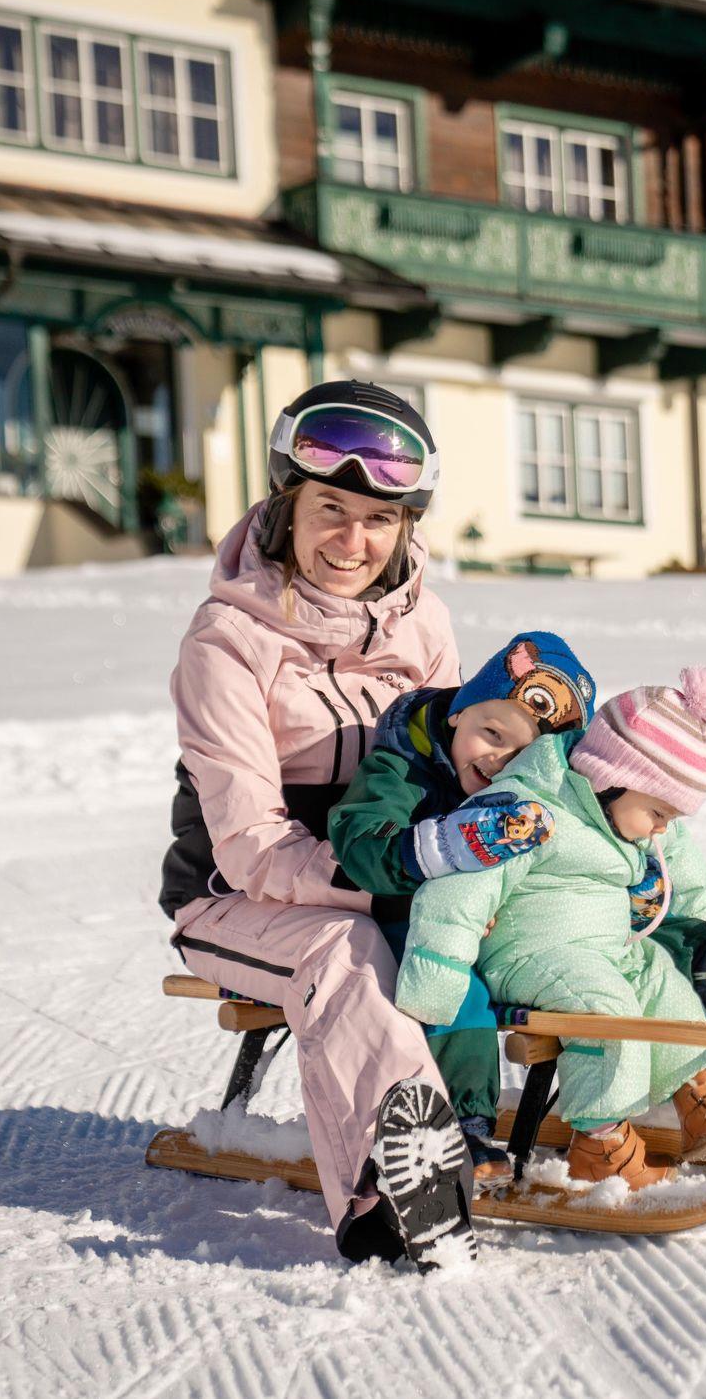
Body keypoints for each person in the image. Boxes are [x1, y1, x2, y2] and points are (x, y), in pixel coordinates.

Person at [159, 380, 476, 1270]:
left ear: (404, 527)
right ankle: (392, 1190)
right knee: (346, 955)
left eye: (378, 519)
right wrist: (384, 886)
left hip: (386, 878)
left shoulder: (425, 627)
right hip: (235, 900)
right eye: (331, 509)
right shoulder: (227, 641)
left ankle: (680, 1091)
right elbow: (250, 842)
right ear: (287, 507)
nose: (352, 540)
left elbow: (455, 767)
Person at [389, 666, 706, 1189]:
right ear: (611, 777)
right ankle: (601, 1146)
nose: (662, 827)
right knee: (608, 1011)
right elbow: (458, 891)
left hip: (605, 950)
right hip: (528, 956)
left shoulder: (628, 821)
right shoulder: (527, 808)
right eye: (658, 812)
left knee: (661, 979)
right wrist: (437, 973)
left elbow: (692, 885)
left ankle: (701, 1100)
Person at [327, 630, 598, 1181]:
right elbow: (362, 846)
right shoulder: (402, 768)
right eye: (492, 733)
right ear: (458, 712)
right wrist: (442, 856)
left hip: (504, 933)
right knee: (455, 987)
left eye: (523, 755)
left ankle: (634, 1104)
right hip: (408, 918)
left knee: (595, 967)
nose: (498, 760)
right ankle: (463, 1124)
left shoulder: (535, 796)